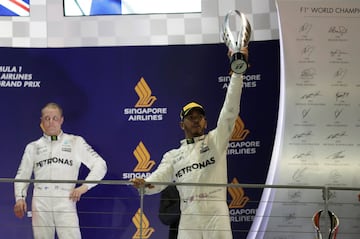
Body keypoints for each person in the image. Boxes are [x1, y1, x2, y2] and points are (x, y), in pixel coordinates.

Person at [131, 48, 248, 239]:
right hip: (189, 214)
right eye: (190, 117)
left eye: (199, 117)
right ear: (181, 124)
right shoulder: (173, 156)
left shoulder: (216, 140)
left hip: (215, 212)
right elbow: (158, 179)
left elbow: (230, 110)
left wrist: (237, 73)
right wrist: (144, 185)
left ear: (205, 122)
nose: (195, 120)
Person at [13, 102, 107, 239]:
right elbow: (22, 175)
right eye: (47, 118)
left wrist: (84, 187)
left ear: (61, 120)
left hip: (66, 199)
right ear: (42, 121)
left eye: (55, 118)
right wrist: (20, 198)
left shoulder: (76, 142)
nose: (51, 122)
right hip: (40, 202)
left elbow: (100, 164)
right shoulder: (32, 147)